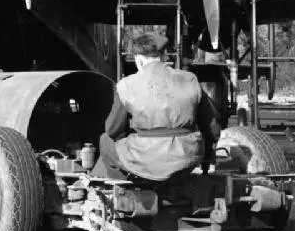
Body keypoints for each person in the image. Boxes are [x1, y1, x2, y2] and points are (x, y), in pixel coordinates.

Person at [90, 30, 221, 182]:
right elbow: (213, 129)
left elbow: (112, 130)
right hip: (187, 159)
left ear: (138, 59)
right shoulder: (190, 79)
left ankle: (129, 187)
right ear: (164, 56)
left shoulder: (126, 85)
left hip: (147, 159)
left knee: (105, 141)